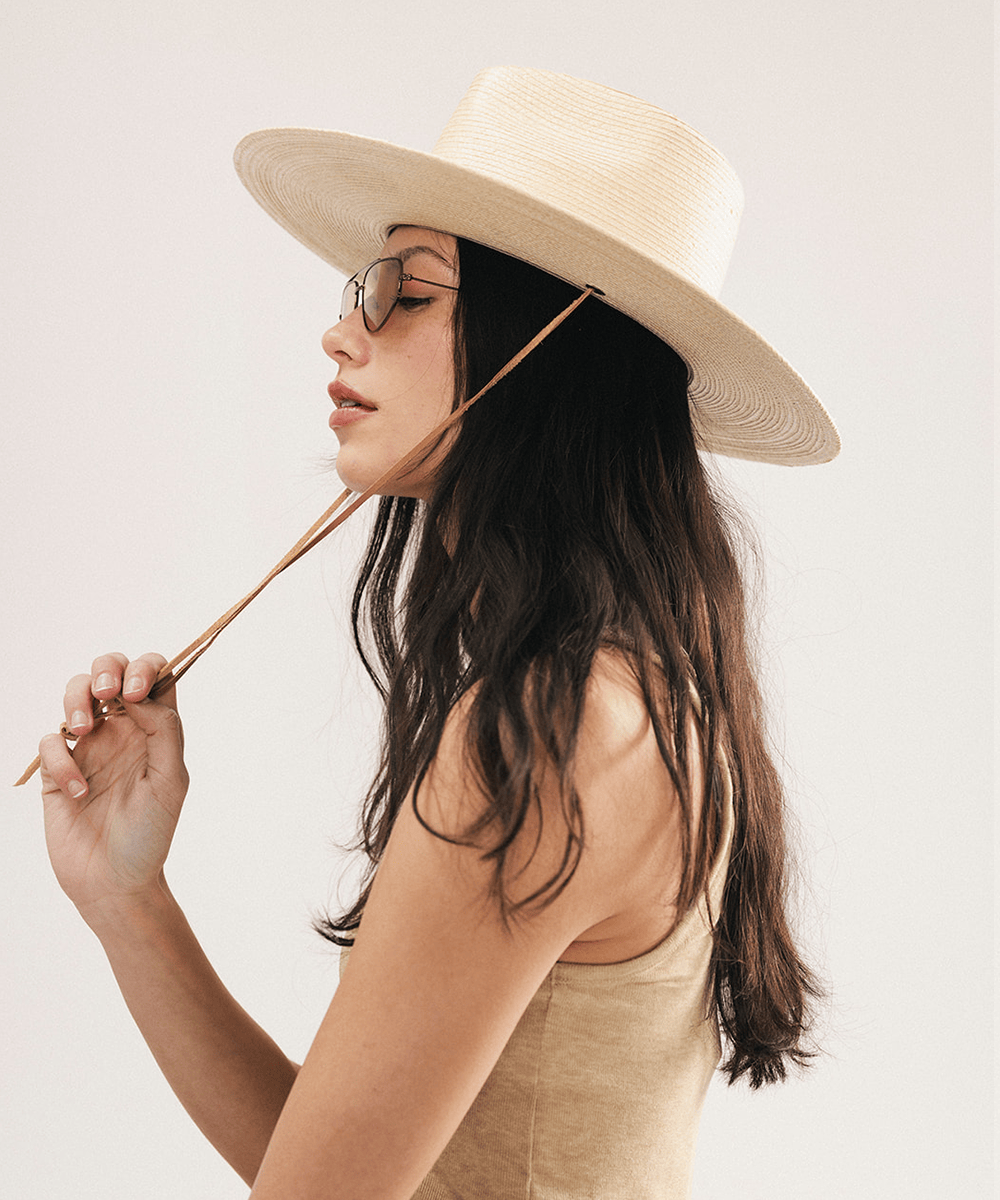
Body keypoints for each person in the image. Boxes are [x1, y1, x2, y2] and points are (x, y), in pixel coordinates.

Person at [35, 67, 839, 1199]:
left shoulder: (552, 735)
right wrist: (126, 900)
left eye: (403, 295)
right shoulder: (630, 698)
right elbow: (350, 1165)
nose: (339, 332)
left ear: (544, 350)